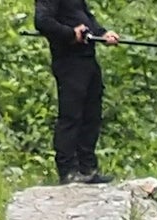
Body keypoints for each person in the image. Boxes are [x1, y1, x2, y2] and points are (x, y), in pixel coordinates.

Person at [31, 0, 103, 183]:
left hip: (88, 59)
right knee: (71, 116)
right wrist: (70, 33)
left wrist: (102, 33)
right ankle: (68, 170)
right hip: (68, 62)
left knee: (91, 115)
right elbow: (42, 21)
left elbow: (87, 18)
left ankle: (88, 168)